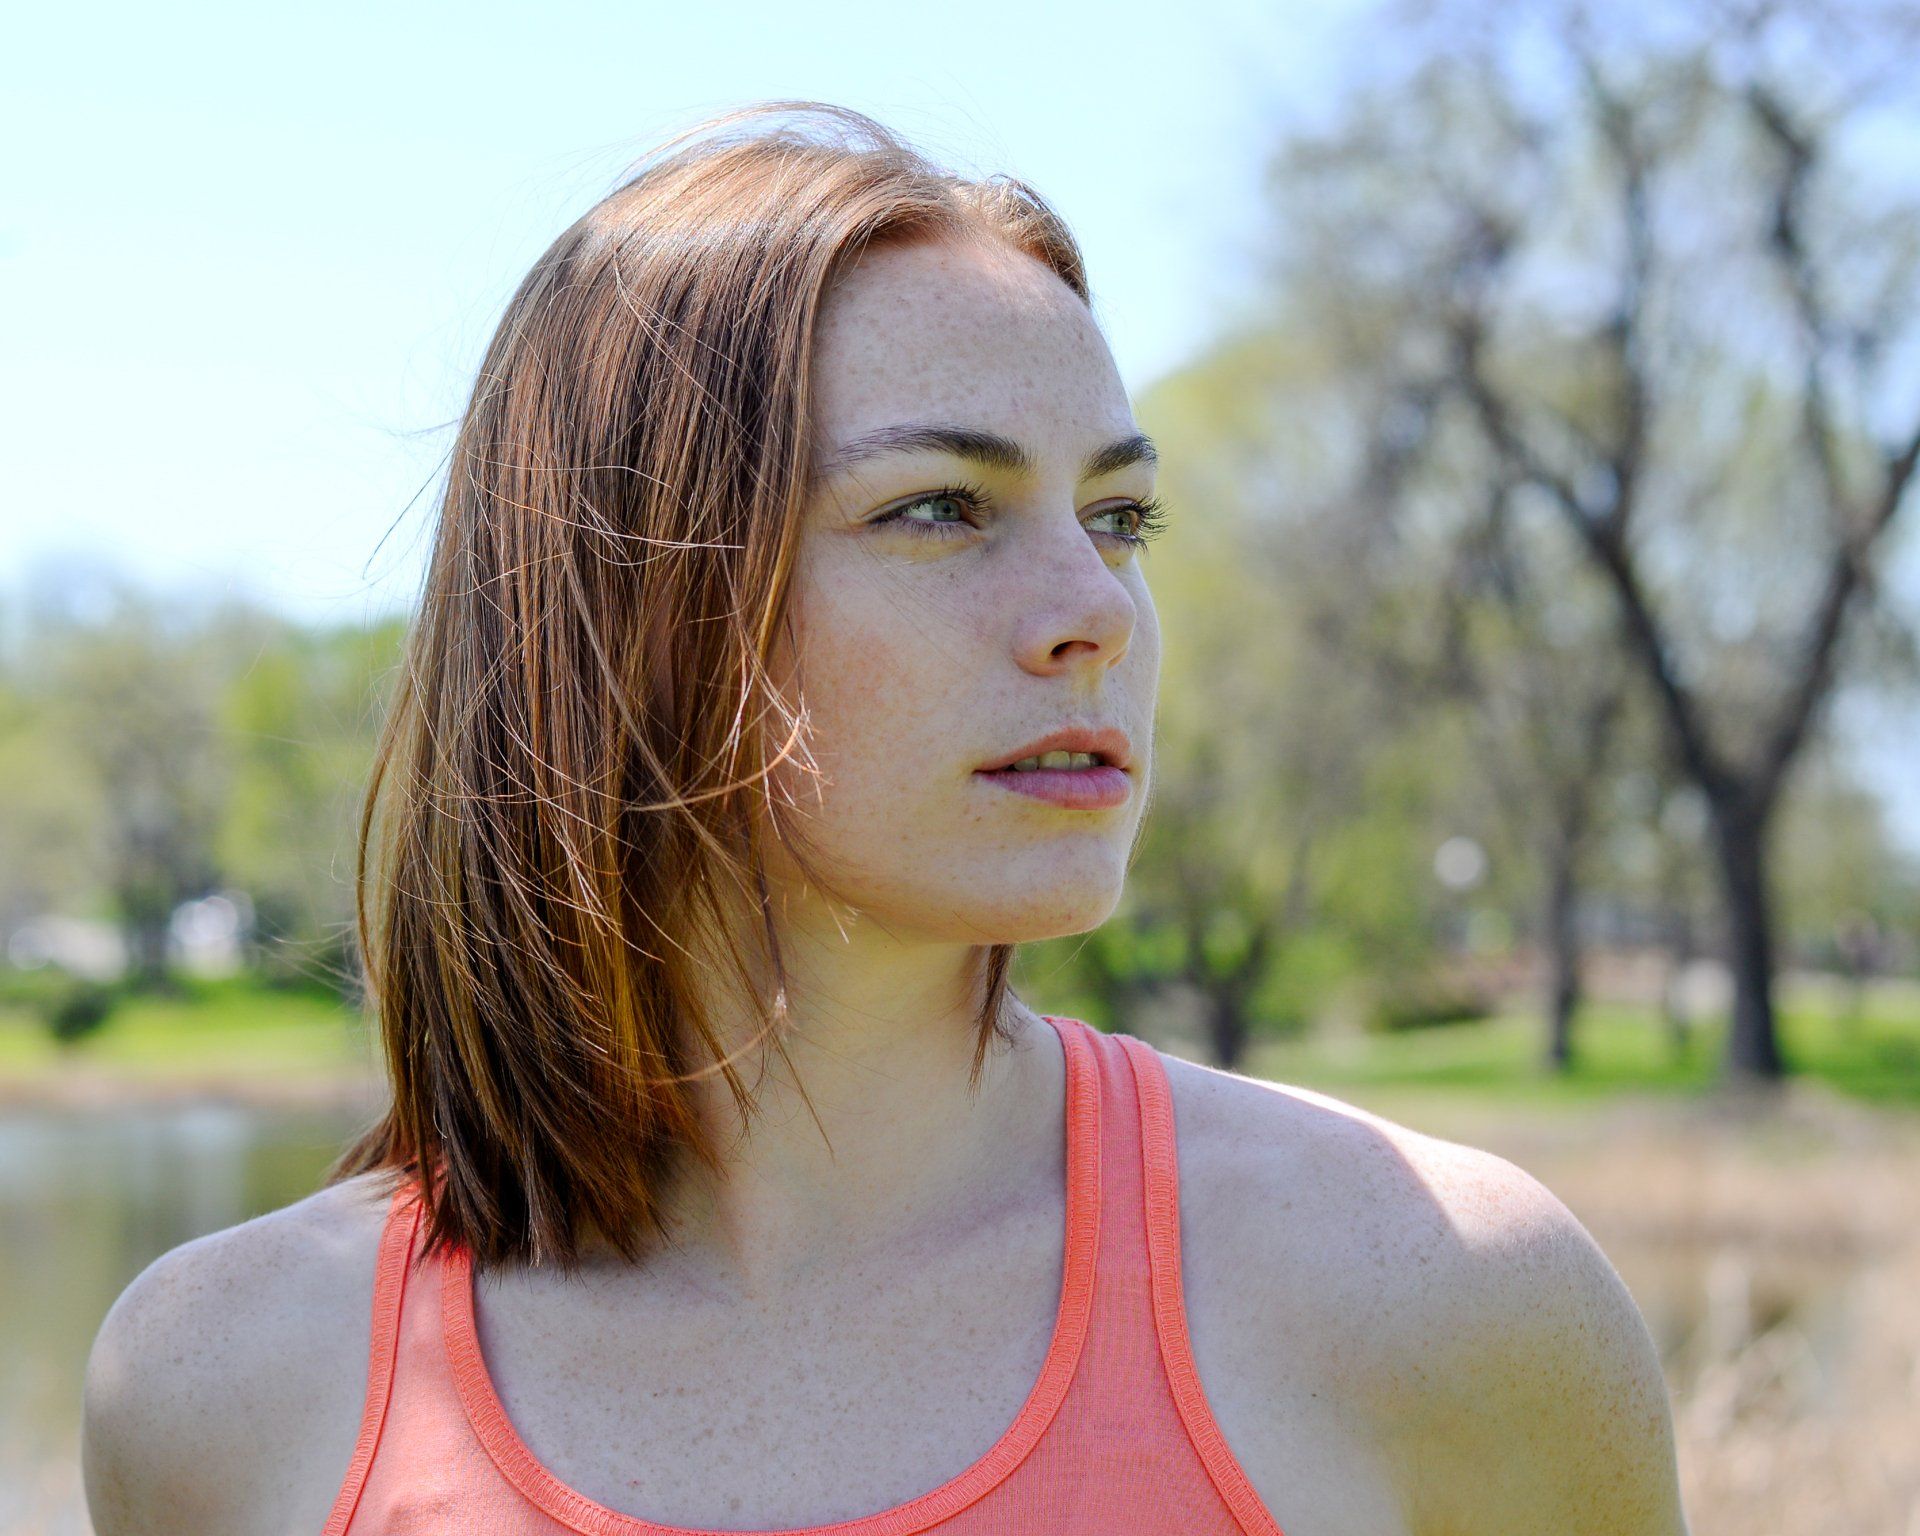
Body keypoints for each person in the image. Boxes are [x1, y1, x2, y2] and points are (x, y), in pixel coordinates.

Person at [78, 101, 1689, 1535]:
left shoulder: (1446, 1302)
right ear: (634, 606)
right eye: (939, 508)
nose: (1098, 613)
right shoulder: (224, 1387)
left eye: (1121, 516)